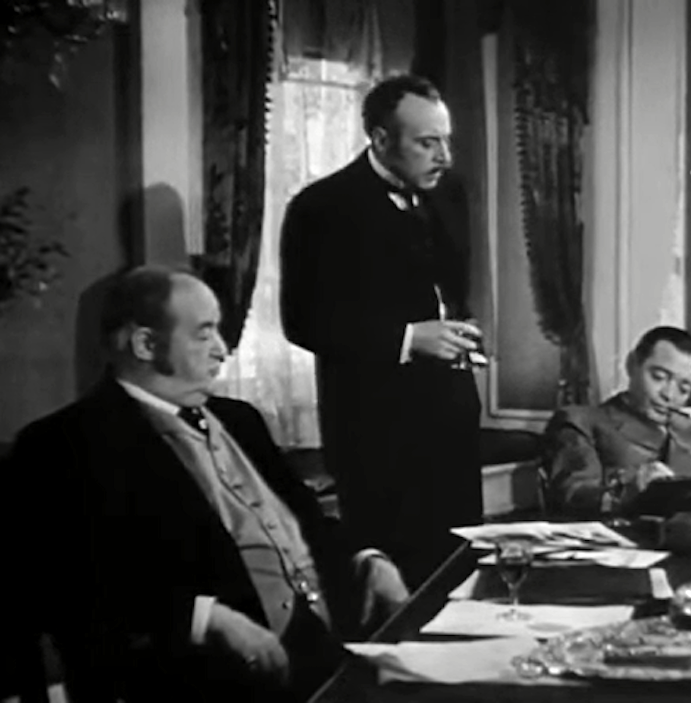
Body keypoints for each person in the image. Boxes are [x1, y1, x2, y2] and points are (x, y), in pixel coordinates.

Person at [6, 266, 410, 703]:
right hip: (204, 679)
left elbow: (306, 517)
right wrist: (202, 618)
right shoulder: (64, 443)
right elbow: (72, 588)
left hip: (330, 649)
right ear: (145, 344)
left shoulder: (241, 420)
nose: (222, 349)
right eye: (203, 334)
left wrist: (364, 558)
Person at [280, 74, 483, 587]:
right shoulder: (320, 208)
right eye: (427, 143)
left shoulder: (450, 193)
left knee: (459, 575)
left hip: (452, 418)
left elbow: (447, 287)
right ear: (380, 138)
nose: (444, 156)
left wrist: (460, 329)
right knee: (393, 585)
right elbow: (303, 321)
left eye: (446, 140)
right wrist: (409, 339)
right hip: (375, 433)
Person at [543, 326, 691, 516]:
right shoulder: (581, 421)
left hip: (689, 538)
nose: (669, 395)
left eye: (684, 389)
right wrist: (633, 487)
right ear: (632, 365)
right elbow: (572, 496)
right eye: (659, 377)